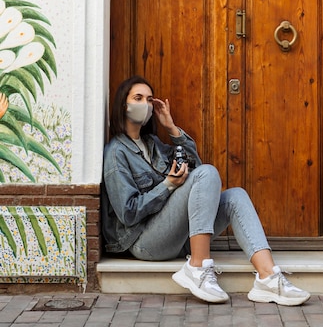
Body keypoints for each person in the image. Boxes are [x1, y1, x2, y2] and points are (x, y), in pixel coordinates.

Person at [101, 75, 310, 306]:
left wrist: (170, 126)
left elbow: (196, 168)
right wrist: (167, 185)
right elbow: (128, 213)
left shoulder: (153, 144)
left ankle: (268, 278)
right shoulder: (116, 152)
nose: (146, 105)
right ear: (124, 105)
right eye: (138, 98)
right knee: (208, 173)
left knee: (235, 196)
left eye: (150, 100)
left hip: (176, 238)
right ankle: (198, 268)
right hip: (143, 242)